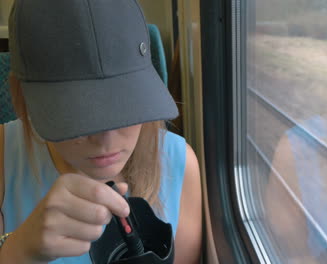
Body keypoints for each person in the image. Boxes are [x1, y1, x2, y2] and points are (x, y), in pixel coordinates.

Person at [0, 0, 202, 263]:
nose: (104, 138)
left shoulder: (180, 166)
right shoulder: (4, 160)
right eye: (73, 111)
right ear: (22, 98)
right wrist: (18, 250)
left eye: (126, 102)